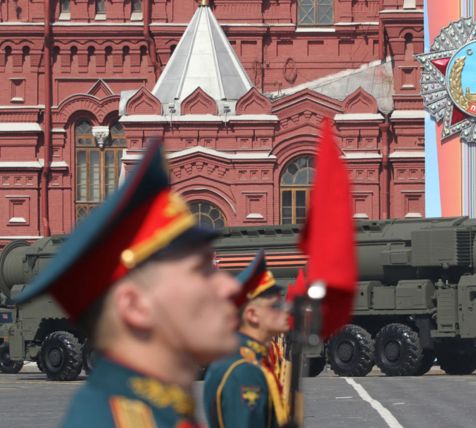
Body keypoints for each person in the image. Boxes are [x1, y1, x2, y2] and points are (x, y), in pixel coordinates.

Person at [14, 140, 240, 428]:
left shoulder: (161, 405)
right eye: (199, 272)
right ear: (134, 305)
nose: (229, 287)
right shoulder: (116, 418)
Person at [203, 250, 291, 428]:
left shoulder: (251, 360)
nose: (285, 311)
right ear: (252, 315)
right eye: (275, 306)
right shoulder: (244, 370)